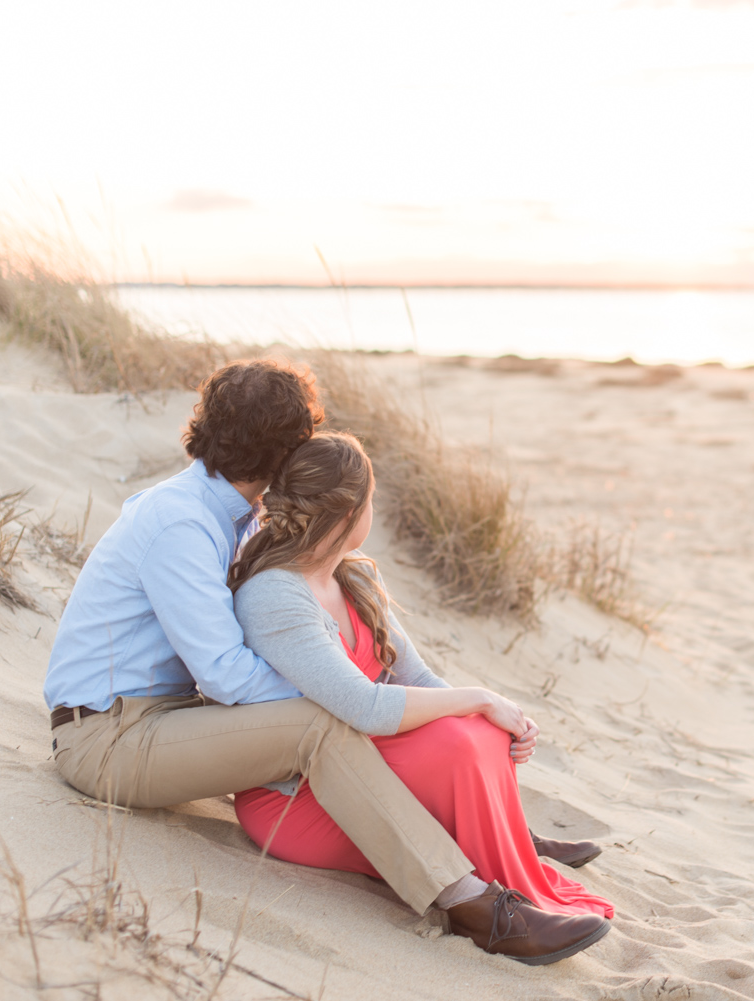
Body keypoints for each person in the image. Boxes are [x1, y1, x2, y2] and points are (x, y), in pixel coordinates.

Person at [43, 359, 607, 964]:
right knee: (323, 724)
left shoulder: (230, 516)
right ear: (286, 452)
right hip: (108, 739)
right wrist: (351, 699)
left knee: (350, 716)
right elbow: (226, 674)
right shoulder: (182, 522)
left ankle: (496, 835)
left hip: (166, 718)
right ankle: (470, 904)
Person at [226, 431, 614, 951]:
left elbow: (423, 684)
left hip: (359, 754)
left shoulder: (350, 578)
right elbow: (364, 708)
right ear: (347, 515)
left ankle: (506, 840)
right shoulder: (275, 595)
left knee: (477, 732)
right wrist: (478, 699)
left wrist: (498, 719)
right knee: (459, 737)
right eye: (371, 500)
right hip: (302, 794)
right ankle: (492, 886)